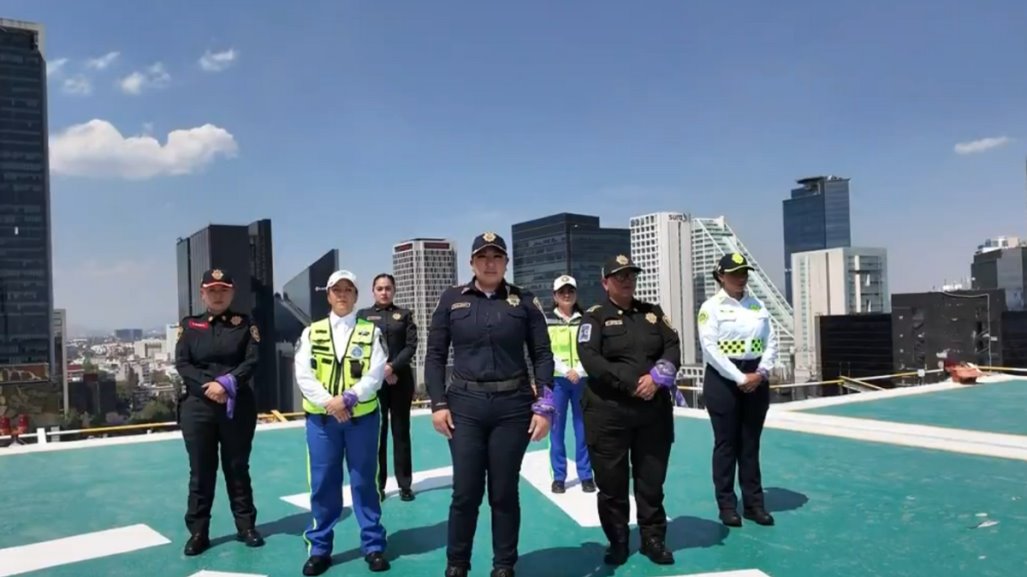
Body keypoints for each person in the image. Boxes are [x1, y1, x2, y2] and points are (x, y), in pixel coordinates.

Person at [425, 231, 556, 577]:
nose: (490, 262)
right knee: (465, 492)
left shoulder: (524, 301)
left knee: (503, 491)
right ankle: (457, 564)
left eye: (497, 256)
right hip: (464, 405)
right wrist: (438, 404)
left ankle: (503, 566)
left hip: (512, 407)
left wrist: (544, 405)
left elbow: (542, 355)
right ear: (472, 263)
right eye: (483, 257)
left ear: (506, 263)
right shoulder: (451, 299)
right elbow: (435, 355)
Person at [576, 254, 680, 567]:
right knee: (611, 484)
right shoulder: (594, 317)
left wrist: (658, 376)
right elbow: (590, 358)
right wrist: (633, 382)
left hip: (653, 412)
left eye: (630, 275)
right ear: (605, 282)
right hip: (609, 413)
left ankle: (652, 539)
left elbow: (672, 345)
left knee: (651, 481)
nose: (626, 281)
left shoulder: (652, 313)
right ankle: (618, 540)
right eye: (619, 276)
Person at [294, 270, 391, 576]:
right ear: (329, 295)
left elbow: (376, 373)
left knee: (364, 482)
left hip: (361, 419)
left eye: (348, 289)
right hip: (322, 422)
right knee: (323, 484)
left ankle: (373, 545)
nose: (342, 295)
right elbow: (303, 375)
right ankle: (320, 548)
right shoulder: (311, 332)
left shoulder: (370, 332)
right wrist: (330, 403)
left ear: (355, 296)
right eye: (337, 289)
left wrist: (348, 398)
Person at [174, 268, 263, 556]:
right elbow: (183, 364)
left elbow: (251, 361)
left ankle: (246, 526)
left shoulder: (245, 324)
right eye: (212, 290)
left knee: (237, 467)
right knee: (201, 471)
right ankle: (198, 532)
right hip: (198, 407)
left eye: (223, 289)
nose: (218, 294)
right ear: (202, 294)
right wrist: (208, 387)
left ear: (232, 292)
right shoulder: (189, 326)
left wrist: (227, 384)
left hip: (236, 406)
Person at [697, 252, 778, 528]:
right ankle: (727, 505)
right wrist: (739, 377)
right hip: (723, 380)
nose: (741, 277)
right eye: (734, 273)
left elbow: (771, 342)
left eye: (744, 272)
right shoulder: (711, 307)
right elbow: (711, 349)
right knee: (726, 444)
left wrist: (761, 372)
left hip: (756, 376)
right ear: (721, 276)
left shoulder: (758, 307)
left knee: (750, 444)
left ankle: (754, 504)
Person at [357, 273, 419, 502]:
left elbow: (411, 346)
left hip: (401, 381)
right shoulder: (363, 316)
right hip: (375, 382)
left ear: (394, 291)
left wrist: (392, 367)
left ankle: (405, 485)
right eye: (380, 288)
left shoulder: (404, 315)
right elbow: (360, 348)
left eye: (388, 288)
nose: (384, 292)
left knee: (401, 432)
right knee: (378, 433)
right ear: (373, 291)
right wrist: (382, 371)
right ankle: (378, 484)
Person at [545, 274, 595, 494]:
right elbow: (545, 351)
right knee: (556, 429)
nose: (567, 295)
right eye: (562, 292)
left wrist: (580, 371)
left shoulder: (586, 319)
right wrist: (567, 371)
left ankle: (586, 475)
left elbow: (592, 348)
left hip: (582, 380)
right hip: (558, 380)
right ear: (555, 296)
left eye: (570, 291)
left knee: (583, 428)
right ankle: (559, 476)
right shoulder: (546, 321)